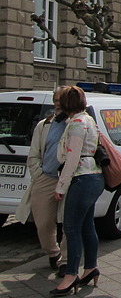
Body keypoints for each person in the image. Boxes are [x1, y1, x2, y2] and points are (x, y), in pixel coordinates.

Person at [50, 86, 104, 296]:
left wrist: (60, 187)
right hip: (94, 177)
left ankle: (71, 274)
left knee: (71, 228)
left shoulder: (75, 124)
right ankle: (90, 267)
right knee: (87, 225)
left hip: (81, 178)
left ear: (65, 104)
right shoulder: (88, 119)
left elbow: (72, 159)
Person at [15, 85, 69, 277]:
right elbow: (34, 154)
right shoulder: (44, 125)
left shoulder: (76, 123)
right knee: (44, 222)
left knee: (69, 223)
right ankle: (53, 253)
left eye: (61, 101)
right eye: (55, 100)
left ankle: (66, 261)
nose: (57, 104)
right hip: (46, 178)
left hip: (70, 180)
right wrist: (39, 175)